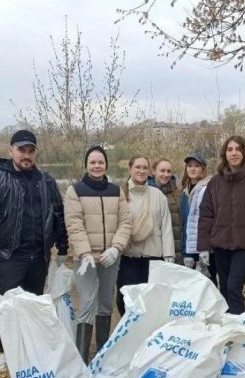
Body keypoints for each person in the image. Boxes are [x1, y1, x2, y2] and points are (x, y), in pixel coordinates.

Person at [0, 129, 69, 373]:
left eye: (30, 151)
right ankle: (5, 353)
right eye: (21, 150)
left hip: (39, 256)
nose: (26, 155)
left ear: (35, 153)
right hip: (10, 256)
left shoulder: (46, 181)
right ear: (11, 151)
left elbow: (58, 215)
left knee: (34, 306)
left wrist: (63, 248)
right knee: (9, 307)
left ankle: (30, 351)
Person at [64, 145, 131, 363]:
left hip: (110, 257)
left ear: (106, 165)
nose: (96, 166)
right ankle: (82, 359)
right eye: (92, 162)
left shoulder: (116, 191)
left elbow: (125, 223)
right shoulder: (75, 191)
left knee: (105, 303)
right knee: (87, 303)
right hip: (86, 259)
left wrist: (116, 248)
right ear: (86, 165)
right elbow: (74, 224)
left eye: (100, 162)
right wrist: (83, 253)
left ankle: (102, 356)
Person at [198, 135, 245, 314]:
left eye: (238, 149)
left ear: (244, 153)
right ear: (225, 154)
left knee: (234, 287)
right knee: (224, 288)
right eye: (230, 149)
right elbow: (206, 215)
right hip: (220, 245)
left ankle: (238, 325)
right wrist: (203, 247)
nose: (234, 153)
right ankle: (226, 324)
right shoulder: (215, 182)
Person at [116, 155, 175, 314]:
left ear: (149, 171)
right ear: (130, 169)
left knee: (151, 303)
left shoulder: (158, 196)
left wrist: (169, 255)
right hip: (128, 257)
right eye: (138, 167)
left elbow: (166, 227)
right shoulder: (120, 195)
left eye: (145, 168)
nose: (141, 171)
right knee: (125, 300)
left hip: (153, 258)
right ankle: (128, 328)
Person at [181, 152, 217, 283]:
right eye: (189, 166)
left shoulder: (208, 188)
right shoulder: (185, 189)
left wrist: (205, 247)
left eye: (197, 166)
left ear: (203, 169)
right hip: (190, 245)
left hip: (204, 246)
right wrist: (187, 252)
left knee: (208, 282)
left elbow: (208, 218)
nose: (192, 169)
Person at [150, 158, 184, 265]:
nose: (166, 174)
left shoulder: (179, 195)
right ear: (154, 171)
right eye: (162, 171)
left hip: (175, 250)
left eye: (169, 171)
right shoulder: (146, 193)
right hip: (152, 249)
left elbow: (184, 223)